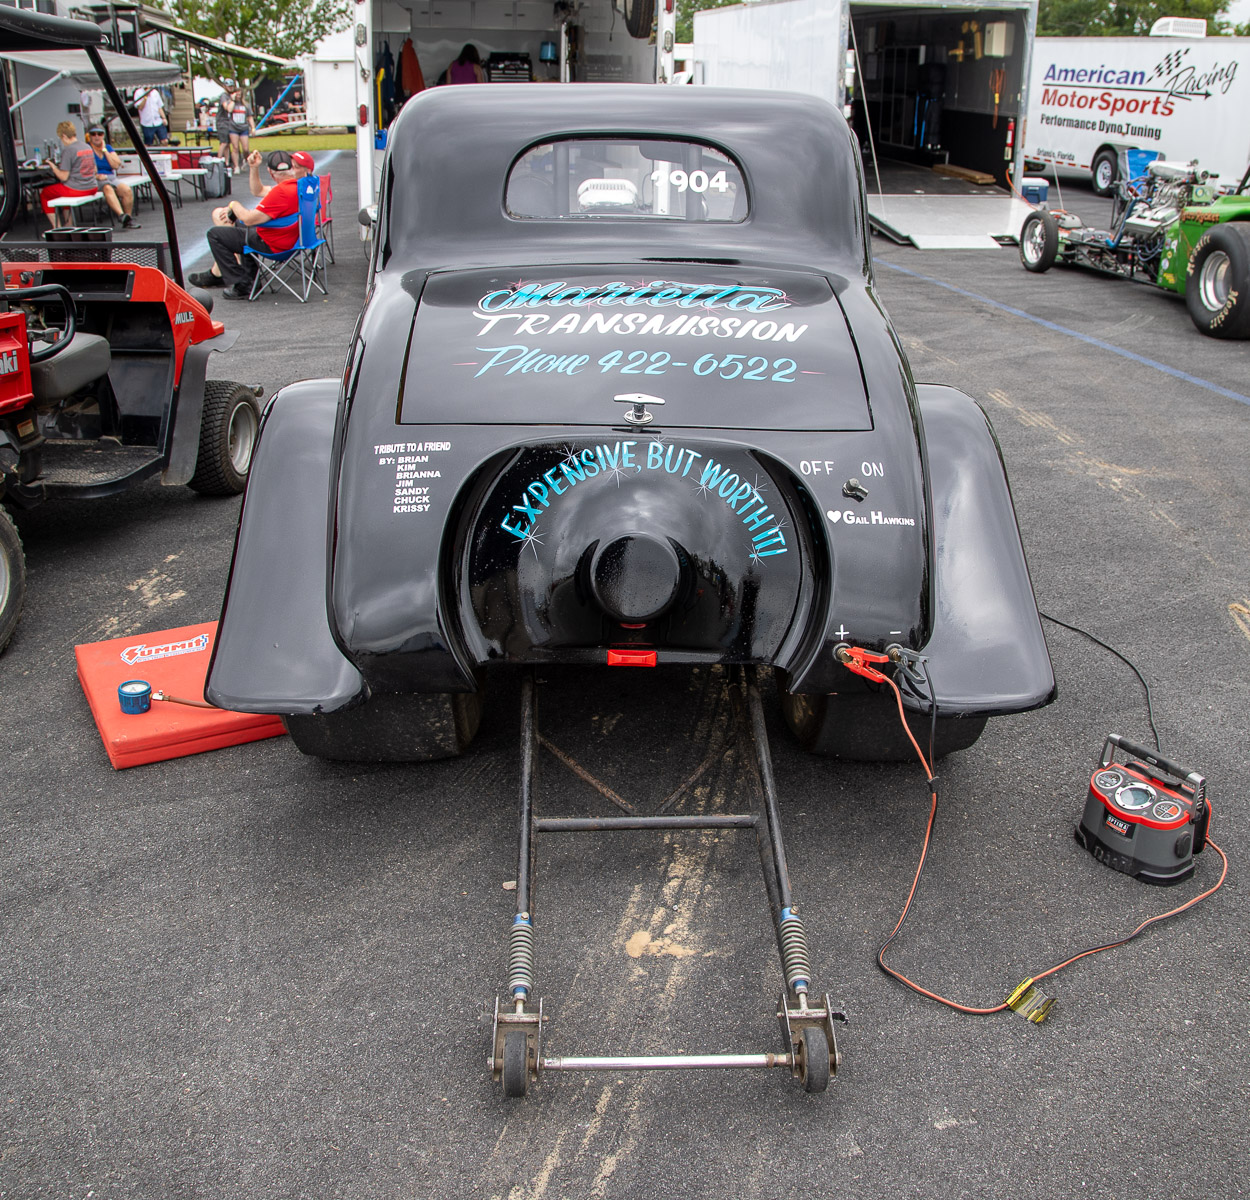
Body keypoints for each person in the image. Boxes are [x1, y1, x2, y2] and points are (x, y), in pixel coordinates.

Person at [188, 149, 301, 299]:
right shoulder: (298, 186)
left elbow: (249, 219)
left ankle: (242, 284)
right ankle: (246, 279)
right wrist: (254, 167)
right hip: (293, 239)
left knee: (215, 234)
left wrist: (234, 205)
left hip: (275, 245)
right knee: (240, 227)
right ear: (292, 168)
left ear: (270, 172)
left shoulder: (280, 192)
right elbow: (258, 191)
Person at [40, 120, 99, 228]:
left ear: (64, 136)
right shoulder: (87, 146)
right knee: (63, 189)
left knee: (45, 193)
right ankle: (68, 223)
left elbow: (63, 176)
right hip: (92, 187)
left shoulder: (69, 150)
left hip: (77, 189)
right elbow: (94, 170)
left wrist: (54, 168)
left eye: (61, 138)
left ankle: (57, 227)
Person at [86, 125, 140, 229]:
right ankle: (121, 215)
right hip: (96, 178)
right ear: (89, 136)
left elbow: (115, 165)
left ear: (103, 136)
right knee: (107, 188)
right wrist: (96, 175)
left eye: (99, 134)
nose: (96, 136)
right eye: (93, 134)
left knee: (127, 190)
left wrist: (105, 151)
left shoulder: (108, 148)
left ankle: (128, 219)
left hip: (110, 176)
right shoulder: (87, 149)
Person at [245, 147, 313, 198]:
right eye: (290, 165)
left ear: (308, 172)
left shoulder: (305, 189)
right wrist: (254, 167)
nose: (291, 169)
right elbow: (258, 191)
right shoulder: (288, 187)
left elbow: (259, 192)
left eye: (295, 167)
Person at [227, 89, 254, 174]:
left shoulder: (246, 105)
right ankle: (236, 166)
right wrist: (232, 100)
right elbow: (229, 110)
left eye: (239, 94)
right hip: (233, 128)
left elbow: (250, 117)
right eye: (236, 94)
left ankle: (245, 160)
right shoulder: (231, 103)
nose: (238, 95)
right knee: (235, 147)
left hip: (244, 128)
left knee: (245, 148)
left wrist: (253, 127)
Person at [214, 91, 234, 168]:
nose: (231, 88)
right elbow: (227, 108)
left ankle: (226, 162)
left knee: (227, 144)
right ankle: (218, 162)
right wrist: (232, 100)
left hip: (228, 122)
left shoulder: (229, 96)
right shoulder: (224, 96)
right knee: (224, 142)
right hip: (222, 122)